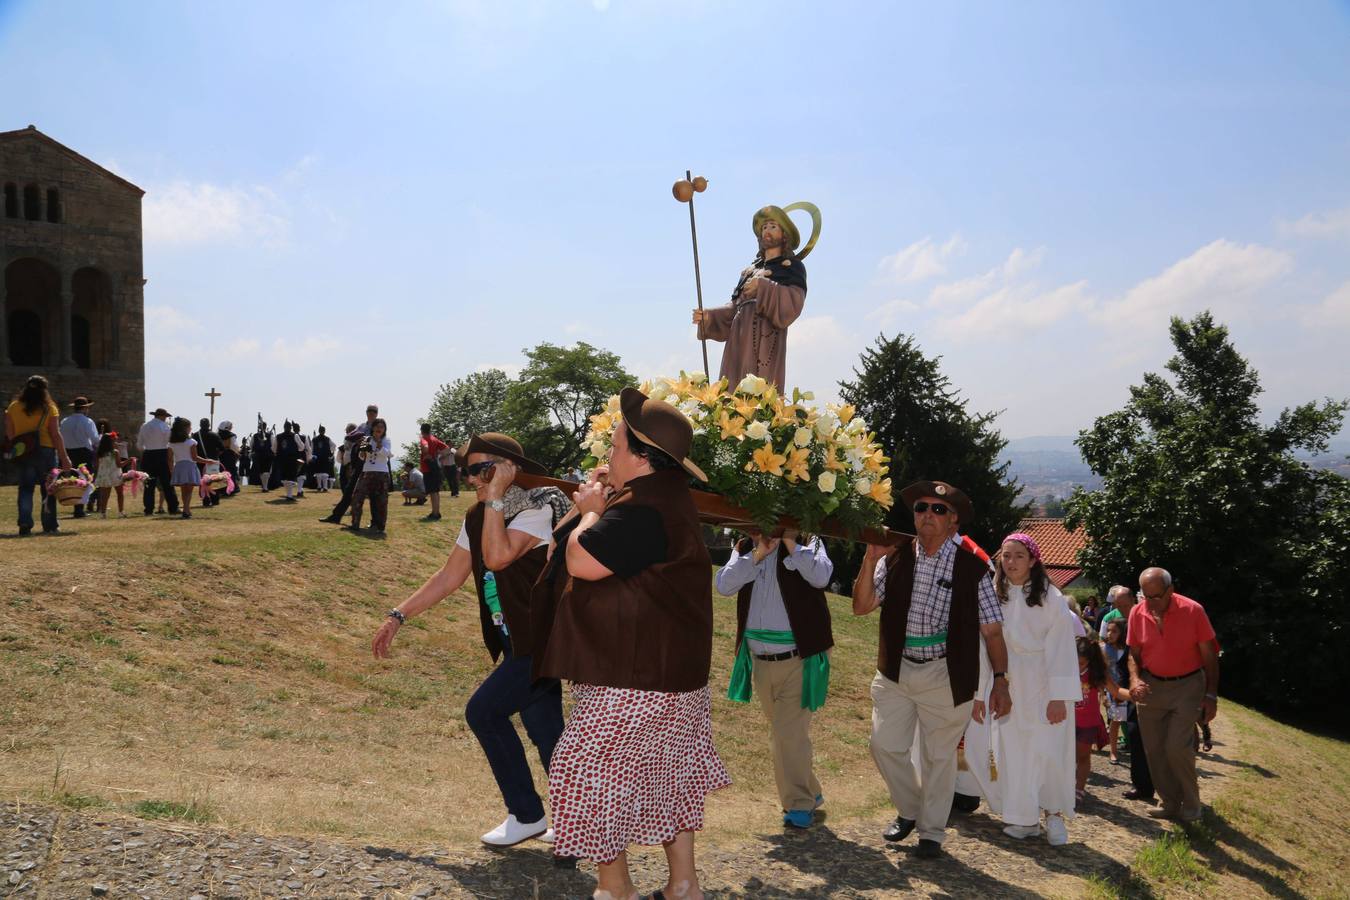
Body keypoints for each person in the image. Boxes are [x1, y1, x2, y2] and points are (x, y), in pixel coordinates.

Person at [534, 388, 729, 900]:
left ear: (642, 457)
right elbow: (567, 544)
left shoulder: (643, 507)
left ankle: (615, 888)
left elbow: (580, 560)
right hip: (673, 677)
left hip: (637, 678)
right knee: (670, 771)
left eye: (616, 445)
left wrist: (593, 511)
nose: (608, 455)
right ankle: (683, 884)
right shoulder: (662, 499)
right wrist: (598, 503)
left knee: (581, 768)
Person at [372, 433, 570, 848]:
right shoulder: (478, 516)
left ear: (507, 469)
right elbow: (450, 576)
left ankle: (527, 815)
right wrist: (398, 615)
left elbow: (497, 557)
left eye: (482, 470)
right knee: (546, 730)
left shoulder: (536, 510)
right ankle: (578, 824)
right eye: (468, 471)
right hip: (518, 643)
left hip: (542, 642)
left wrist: (496, 494)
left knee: (484, 712)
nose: (472, 479)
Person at [852, 480, 1011, 859]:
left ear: (954, 522)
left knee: (938, 757)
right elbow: (861, 607)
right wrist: (870, 558)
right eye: (921, 507)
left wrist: (1001, 681)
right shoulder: (894, 556)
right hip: (895, 671)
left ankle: (932, 833)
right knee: (884, 745)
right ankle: (910, 810)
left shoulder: (973, 567)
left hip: (945, 673)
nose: (927, 514)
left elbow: (991, 631)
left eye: (938, 510)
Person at [717, 528, 833, 829]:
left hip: (800, 658)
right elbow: (724, 585)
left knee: (786, 733)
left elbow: (822, 577)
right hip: (760, 661)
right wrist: (758, 553)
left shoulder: (810, 541)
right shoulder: (745, 545)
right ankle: (812, 790)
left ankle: (799, 804)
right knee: (785, 735)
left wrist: (792, 544)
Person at [970, 533, 1078, 846]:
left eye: (1019, 556)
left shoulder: (1051, 598)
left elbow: (1061, 649)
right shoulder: (991, 594)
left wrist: (1059, 696)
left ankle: (1054, 812)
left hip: (1042, 682)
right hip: (1002, 680)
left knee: (1046, 750)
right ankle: (1022, 817)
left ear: (1033, 560)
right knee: (1010, 750)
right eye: (1006, 556)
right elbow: (982, 646)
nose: (1011, 562)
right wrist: (980, 692)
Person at [1127, 567, 1219, 822]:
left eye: (1156, 596)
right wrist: (1135, 679)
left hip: (1187, 685)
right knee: (1154, 749)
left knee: (1176, 747)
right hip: (1152, 686)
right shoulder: (1137, 612)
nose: (1151, 603)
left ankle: (1191, 804)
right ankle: (1169, 802)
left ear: (1171, 590)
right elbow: (1134, 654)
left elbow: (1210, 657)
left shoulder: (1193, 611)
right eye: (1146, 597)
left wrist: (1211, 695)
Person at [693, 205, 809, 390]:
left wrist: (763, 288)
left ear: (784, 234)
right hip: (738, 339)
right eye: (764, 228)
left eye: (773, 226)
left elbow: (794, 302)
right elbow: (735, 307)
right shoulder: (749, 271)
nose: (767, 231)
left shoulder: (792, 267)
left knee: (759, 391)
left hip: (765, 336)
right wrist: (709, 316)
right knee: (732, 387)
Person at [5, 375, 72, 535]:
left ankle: (25, 524)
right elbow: (55, 435)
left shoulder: (14, 407)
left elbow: (10, 433)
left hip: (24, 451)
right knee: (48, 488)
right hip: (46, 450)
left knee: (26, 489)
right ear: (44, 390)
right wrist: (64, 458)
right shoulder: (49, 408)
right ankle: (49, 525)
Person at [320, 405, 379, 524]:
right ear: (366, 412)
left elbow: (377, 441)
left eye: (374, 411)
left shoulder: (379, 425)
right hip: (360, 462)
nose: (371, 413)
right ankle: (336, 516)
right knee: (348, 490)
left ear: (377, 413)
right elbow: (351, 438)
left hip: (372, 464)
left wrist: (364, 442)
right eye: (369, 411)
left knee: (373, 494)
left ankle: (375, 522)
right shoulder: (362, 426)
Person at [1074, 636, 1111, 802]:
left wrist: (1132, 695)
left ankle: (1079, 788)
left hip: (1087, 723)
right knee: (1067, 756)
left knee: (1083, 756)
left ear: (1089, 660)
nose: (1077, 666)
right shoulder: (1064, 672)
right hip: (1066, 722)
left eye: (1081, 663)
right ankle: (1065, 785)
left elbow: (1115, 690)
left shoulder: (1095, 675)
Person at [168, 416, 218, 519]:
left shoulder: (172, 443)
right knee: (189, 490)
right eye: (189, 427)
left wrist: (171, 470)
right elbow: (195, 458)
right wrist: (207, 461)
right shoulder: (191, 442)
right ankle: (186, 510)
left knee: (183, 490)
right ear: (185, 428)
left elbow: (169, 459)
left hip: (179, 466)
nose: (191, 429)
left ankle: (186, 509)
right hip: (190, 466)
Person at [58, 396, 100, 517]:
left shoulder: (65, 421)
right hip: (83, 452)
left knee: (72, 480)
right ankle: (79, 508)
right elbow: (95, 439)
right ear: (85, 408)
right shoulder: (88, 421)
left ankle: (76, 506)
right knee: (84, 479)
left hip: (69, 452)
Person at [348, 417, 392, 532]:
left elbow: (389, 454)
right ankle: (355, 523)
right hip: (367, 471)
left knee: (381, 501)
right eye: (377, 426)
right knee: (357, 497)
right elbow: (361, 457)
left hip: (382, 473)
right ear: (373, 428)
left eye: (382, 427)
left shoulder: (386, 440)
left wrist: (378, 443)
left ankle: (380, 526)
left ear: (384, 430)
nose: (379, 429)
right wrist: (362, 451)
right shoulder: (366, 439)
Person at [137, 408, 178, 516]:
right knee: (167, 483)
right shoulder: (164, 426)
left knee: (149, 484)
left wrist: (146, 452)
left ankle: (148, 509)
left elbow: (139, 444)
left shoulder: (144, 426)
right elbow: (169, 442)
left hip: (148, 454)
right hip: (162, 454)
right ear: (162, 416)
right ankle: (173, 507)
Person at [1103, 619, 1130, 763]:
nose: (1110, 633)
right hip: (1114, 691)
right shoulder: (1105, 649)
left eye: (1114, 631)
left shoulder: (1129, 648)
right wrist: (1103, 695)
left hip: (1129, 688)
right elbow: (1102, 673)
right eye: (1108, 630)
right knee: (1116, 721)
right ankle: (1113, 751)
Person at [93, 430, 129, 518]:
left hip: (104, 476)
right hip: (115, 475)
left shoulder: (99, 453)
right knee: (120, 493)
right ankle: (121, 511)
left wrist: (97, 474)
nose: (115, 442)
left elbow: (96, 466)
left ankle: (103, 513)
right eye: (114, 441)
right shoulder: (115, 452)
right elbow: (119, 464)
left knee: (105, 495)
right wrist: (129, 460)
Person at [418, 422, 449, 521]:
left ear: (422, 430)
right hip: (435, 467)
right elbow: (447, 449)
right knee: (435, 491)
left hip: (428, 468)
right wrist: (439, 456)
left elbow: (425, 446)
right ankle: (436, 512)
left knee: (432, 491)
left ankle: (435, 513)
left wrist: (426, 453)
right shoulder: (434, 439)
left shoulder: (424, 439)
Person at [193, 418, 226, 507]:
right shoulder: (215, 435)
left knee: (203, 481)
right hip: (213, 461)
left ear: (200, 425)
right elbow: (222, 448)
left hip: (200, 462)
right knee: (214, 480)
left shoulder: (195, 436)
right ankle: (215, 500)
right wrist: (216, 455)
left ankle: (205, 500)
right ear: (209, 425)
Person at [273, 420, 305, 501]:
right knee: (290, 478)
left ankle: (289, 495)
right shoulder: (295, 436)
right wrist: (296, 450)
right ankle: (289, 496)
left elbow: (273, 449)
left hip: (282, 459)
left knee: (286, 478)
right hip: (292, 459)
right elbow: (302, 447)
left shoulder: (278, 436)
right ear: (291, 428)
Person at [216, 421, 242, 496]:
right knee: (231, 472)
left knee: (223, 471)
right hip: (229, 455)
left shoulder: (217, 435)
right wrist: (238, 452)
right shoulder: (231, 435)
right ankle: (232, 488)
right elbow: (234, 446)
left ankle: (225, 488)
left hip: (220, 455)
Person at [309, 425, 335, 492]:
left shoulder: (315, 439)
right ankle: (323, 487)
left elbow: (311, 449)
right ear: (324, 431)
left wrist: (312, 456)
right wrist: (331, 453)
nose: (322, 432)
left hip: (319, 457)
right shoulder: (327, 439)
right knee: (322, 473)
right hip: (323, 457)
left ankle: (320, 486)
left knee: (321, 473)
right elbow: (334, 445)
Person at [249, 424, 273, 491]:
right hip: (267, 455)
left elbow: (251, 446)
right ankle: (265, 487)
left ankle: (264, 486)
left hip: (259, 456)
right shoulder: (270, 435)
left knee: (262, 472)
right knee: (266, 471)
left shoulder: (255, 436)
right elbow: (273, 445)